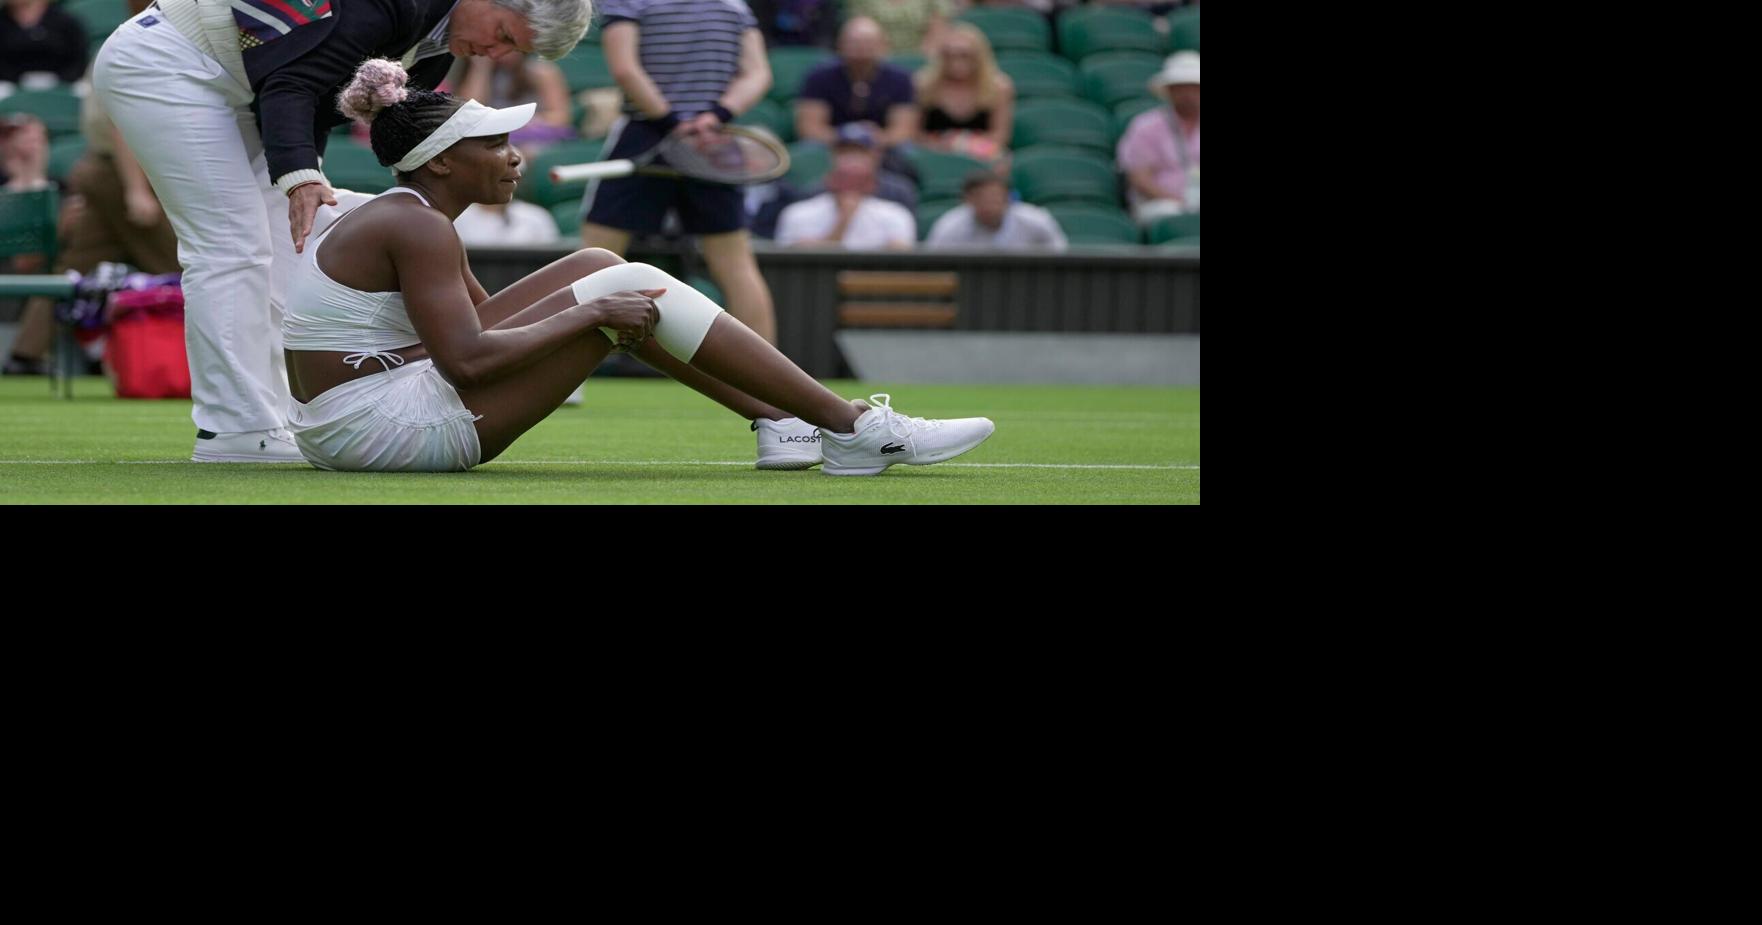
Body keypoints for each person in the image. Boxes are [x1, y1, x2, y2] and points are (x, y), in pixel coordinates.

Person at [282, 60, 994, 476]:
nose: (516, 156)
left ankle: (783, 418)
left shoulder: (412, 212)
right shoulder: (415, 224)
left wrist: (593, 302)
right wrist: (593, 314)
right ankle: (855, 428)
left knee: (598, 262)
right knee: (612, 288)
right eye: (495, 144)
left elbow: (483, 327)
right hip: (374, 432)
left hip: (359, 411)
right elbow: (470, 361)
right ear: (441, 161)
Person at [90, 0, 595, 462]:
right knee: (230, 246)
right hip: (170, 64)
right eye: (504, 32)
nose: (495, 52)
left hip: (243, 85)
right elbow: (291, 84)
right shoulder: (394, 6)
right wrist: (300, 176)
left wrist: (304, 181)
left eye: (512, 50)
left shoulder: (435, 51)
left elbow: (315, 99)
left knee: (294, 237)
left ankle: (290, 416)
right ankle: (234, 432)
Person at [578, 0, 778, 344]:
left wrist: (673, 123)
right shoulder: (735, 6)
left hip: (648, 135)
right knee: (736, 265)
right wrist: (714, 117)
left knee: (593, 260)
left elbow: (625, 69)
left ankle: (561, 372)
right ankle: (776, 384)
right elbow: (758, 74)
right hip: (711, 141)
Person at [775, 127, 916, 249]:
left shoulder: (896, 208)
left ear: (875, 156)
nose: (852, 161)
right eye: (845, 153)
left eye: (860, 153)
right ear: (833, 157)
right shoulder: (801, 209)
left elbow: (902, 255)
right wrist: (843, 221)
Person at [913, 21, 1013, 166]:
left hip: (981, 153)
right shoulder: (924, 84)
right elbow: (914, 133)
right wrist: (938, 145)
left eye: (964, 55)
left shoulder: (999, 87)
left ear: (979, 56)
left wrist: (961, 144)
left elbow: (1000, 136)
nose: (956, 62)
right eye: (949, 55)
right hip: (933, 151)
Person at [1116, 50, 1198, 224]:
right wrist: (1180, 202)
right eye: (1181, 88)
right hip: (1160, 204)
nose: (1188, 94)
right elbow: (1139, 178)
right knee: (1170, 213)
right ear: (1169, 91)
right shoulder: (1145, 126)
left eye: (1194, 88)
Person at [925, 170, 1065, 250]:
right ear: (967, 199)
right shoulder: (949, 226)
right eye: (982, 197)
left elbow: (1060, 254)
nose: (991, 203)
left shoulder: (1036, 221)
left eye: (997, 196)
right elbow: (934, 268)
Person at [0, 0, 87, 87]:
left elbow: (78, 58)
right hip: (10, 85)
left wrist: (60, 80)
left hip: (62, 83)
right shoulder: (3, 22)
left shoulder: (65, 20)